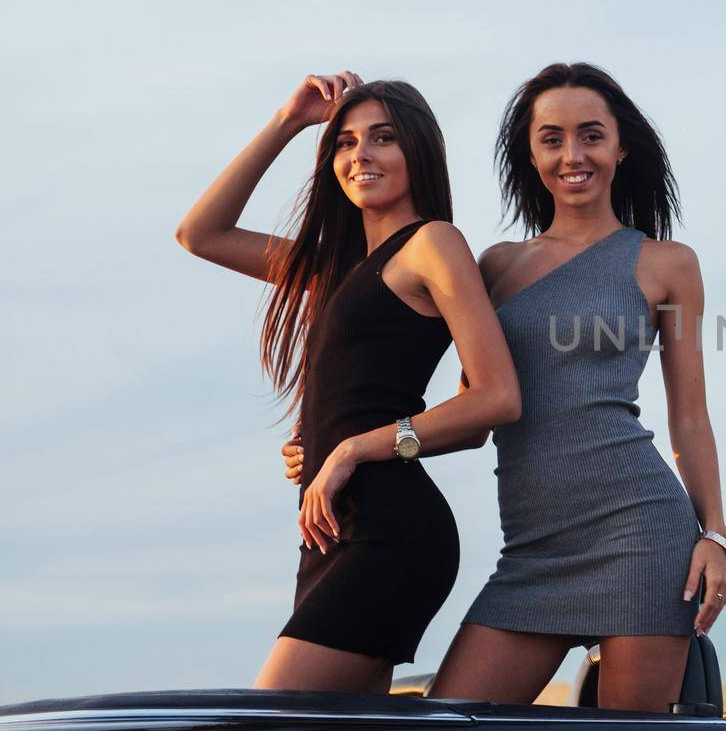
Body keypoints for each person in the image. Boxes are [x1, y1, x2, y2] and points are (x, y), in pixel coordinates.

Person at [286, 63, 726, 711]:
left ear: (621, 145)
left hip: (641, 536)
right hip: (531, 554)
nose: (572, 155)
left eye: (591, 135)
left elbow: (690, 418)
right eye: (551, 138)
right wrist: (355, 444)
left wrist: (713, 535)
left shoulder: (668, 265)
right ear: (530, 153)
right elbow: (474, 419)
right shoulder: (494, 266)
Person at [178, 72, 520, 694]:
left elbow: (495, 401)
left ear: (419, 151)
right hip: (332, 533)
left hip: (389, 534)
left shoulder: (433, 245)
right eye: (346, 142)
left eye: (383, 138)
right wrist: (289, 120)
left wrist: (352, 447)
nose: (361, 154)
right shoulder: (335, 268)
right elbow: (200, 234)